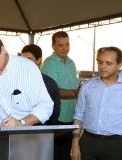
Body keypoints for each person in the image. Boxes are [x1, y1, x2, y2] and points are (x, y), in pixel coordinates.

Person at [0, 34, 54, 136]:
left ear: (2, 49)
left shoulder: (27, 67)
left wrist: (22, 123)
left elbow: (45, 105)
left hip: (29, 137)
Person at [71, 46, 122, 160]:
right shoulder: (87, 86)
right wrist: (75, 144)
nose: (103, 66)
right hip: (88, 143)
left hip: (116, 146)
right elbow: (79, 116)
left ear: (119, 65)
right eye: (100, 62)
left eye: (108, 63)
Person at [40, 31, 79, 160]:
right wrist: (75, 93)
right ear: (53, 47)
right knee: (56, 153)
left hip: (71, 115)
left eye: (67, 44)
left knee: (69, 152)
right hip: (57, 116)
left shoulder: (71, 62)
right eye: (60, 45)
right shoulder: (50, 63)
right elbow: (54, 91)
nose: (65, 48)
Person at [21, 44, 60, 125]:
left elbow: (54, 113)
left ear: (38, 61)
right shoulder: (16, 81)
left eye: (29, 59)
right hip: (18, 128)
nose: (24, 63)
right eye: (22, 59)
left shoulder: (49, 84)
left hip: (40, 130)